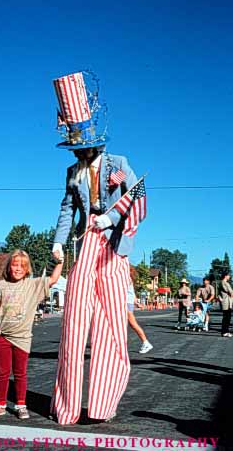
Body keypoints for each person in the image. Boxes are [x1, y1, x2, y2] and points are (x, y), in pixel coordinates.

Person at [50, 71, 145, 425]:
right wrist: (59, 243)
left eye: (82, 144)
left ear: (94, 141)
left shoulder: (118, 163)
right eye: (74, 145)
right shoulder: (72, 172)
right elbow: (65, 209)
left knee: (111, 324)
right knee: (74, 322)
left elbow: (137, 197)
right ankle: (68, 406)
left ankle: (103, 404)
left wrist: (113, 221)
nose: (79, 150)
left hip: (114, 244)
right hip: (86, 240)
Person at [0, 249, 63, 420]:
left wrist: (59, 261)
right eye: (15, 265)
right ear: (9, 266)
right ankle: (0, 404)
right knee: (2, 372)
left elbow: (53, 279)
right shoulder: (0, 285)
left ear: (27, 269)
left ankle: (21, 404)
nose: (18, 268)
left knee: (20, 373)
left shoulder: (32, 285)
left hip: (23, 337)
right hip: (2, 335)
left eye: (22, 266)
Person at [127, 282, 153, 354]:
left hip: (126, 302)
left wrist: (136, 303)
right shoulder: (126, 277)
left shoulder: (124, 276)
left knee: (133, 324)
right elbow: (133, 293)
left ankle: (146, 343)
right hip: (128, 302)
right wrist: (136, 303)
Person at [218, 272, 233, 337]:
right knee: (226, 317)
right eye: (228, 275)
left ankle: (226, 331)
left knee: (228, 317)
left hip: (228, 302)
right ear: (225, 276)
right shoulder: (223, 282)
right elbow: (229, 291)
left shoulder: (226, 283)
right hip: (225, 302)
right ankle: (224, 332)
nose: (229, 277)